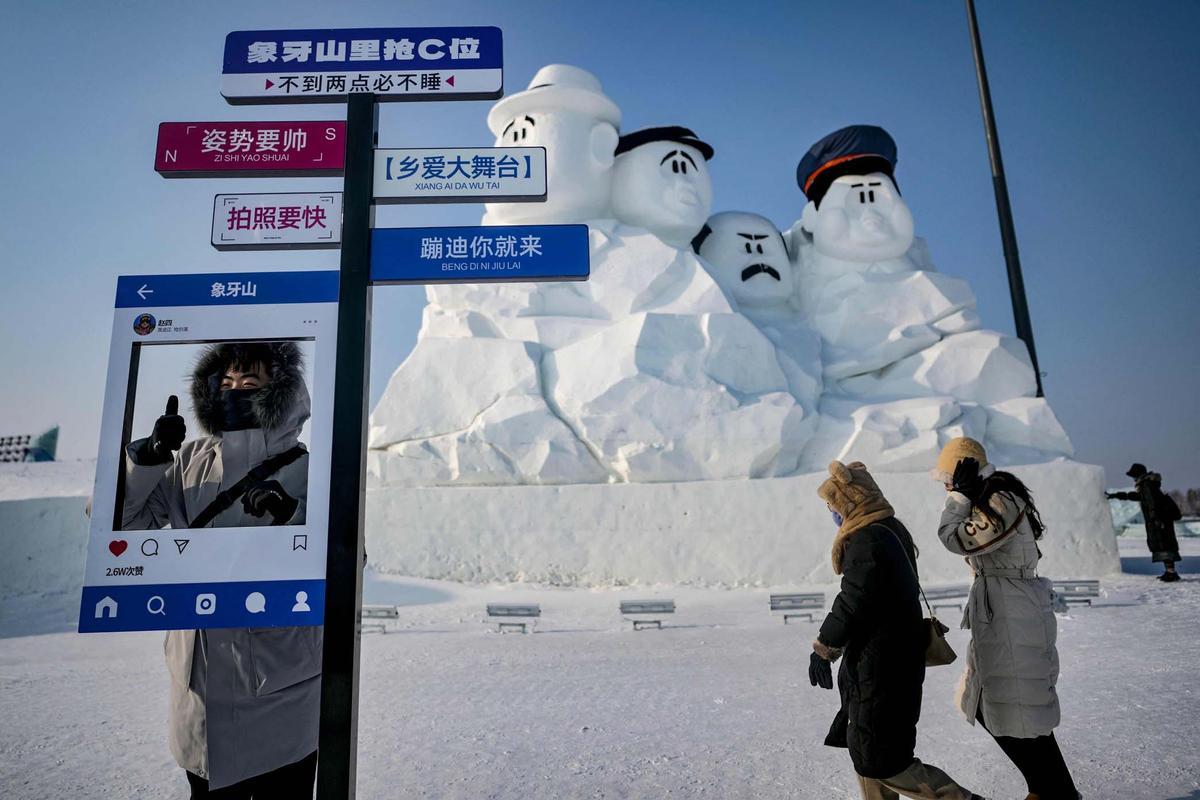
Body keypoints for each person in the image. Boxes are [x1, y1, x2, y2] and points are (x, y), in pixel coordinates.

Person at [121, 341, 321, 797]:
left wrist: (292, 514)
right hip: (200, 690)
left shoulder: (312, 470)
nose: (235, 391)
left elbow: (353, 560)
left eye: (250, 383)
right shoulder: (189, 462)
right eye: (225, 383)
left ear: (282, 393)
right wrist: (148, 460)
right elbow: (121, 522)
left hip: (282, 690)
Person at [810, 460, 984, 800]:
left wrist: (824, 648)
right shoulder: (889, 529)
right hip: (885, 658)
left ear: (850, 503)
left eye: (834, 506)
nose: (832, 513)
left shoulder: (867, 539)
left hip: (882, 664)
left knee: (884, 761)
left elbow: (854, 599)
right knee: (867, 755)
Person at [932, 437, 1079, 800]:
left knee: (1016, 709)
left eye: (950, 479)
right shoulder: (994, 498)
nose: (947, 487)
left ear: (966, 473)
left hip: (1014, 613)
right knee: (1000, 705)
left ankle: (1053, 791)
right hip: (1001, 610)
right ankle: (1049, 789)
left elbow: (955, 539)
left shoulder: (1000, 500)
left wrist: (959, 500)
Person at [1107, 463, 1182, 582]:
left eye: (1134, 476)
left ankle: (1171, 573)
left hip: (1158, 520)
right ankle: (1170, 572)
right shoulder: (1148, 485)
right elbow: (1138, 497)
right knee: (1164, 545)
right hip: (1160, 519)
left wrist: (1156, 519)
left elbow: (1152, 503)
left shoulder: (1146, 485)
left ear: (1138, 475)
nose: (1133, 478)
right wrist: (1116, 495)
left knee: (1164, 546)